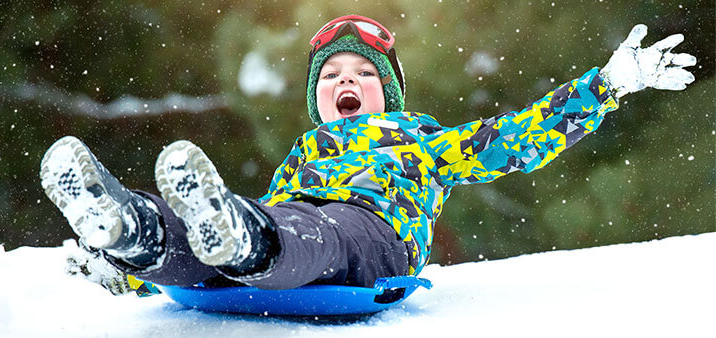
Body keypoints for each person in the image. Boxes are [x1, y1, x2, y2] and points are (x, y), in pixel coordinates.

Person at [43, 15, 696, 295]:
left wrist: (607, 86)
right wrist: (129, 278)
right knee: (228, 234)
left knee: (307, 232)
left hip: (373, 234)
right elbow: (264, 214)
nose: (346, 81)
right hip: (285, 223)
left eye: (363, 73)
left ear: (387, 93)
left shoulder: (420, 141)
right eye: (331, 76)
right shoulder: (303, 153)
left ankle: (237, 240)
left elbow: (515, 140)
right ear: (317, 99)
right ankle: (131, 231)